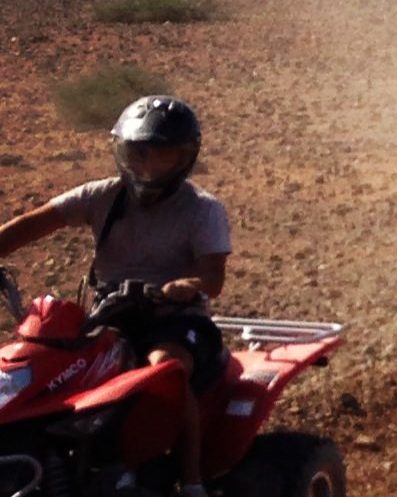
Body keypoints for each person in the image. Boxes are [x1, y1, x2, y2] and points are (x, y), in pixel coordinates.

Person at [0, 95, 230, 497]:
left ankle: (192, 482)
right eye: (138, 154)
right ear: (121, 152)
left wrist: (184, 286)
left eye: (163, 156)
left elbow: (212, 277)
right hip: (111, 314)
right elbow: (29, 226)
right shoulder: (102, 195)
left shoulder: (201, 209)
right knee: (41, 366)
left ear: (184, 159)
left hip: (176, 318)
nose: (148, 166)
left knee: (165, 367)